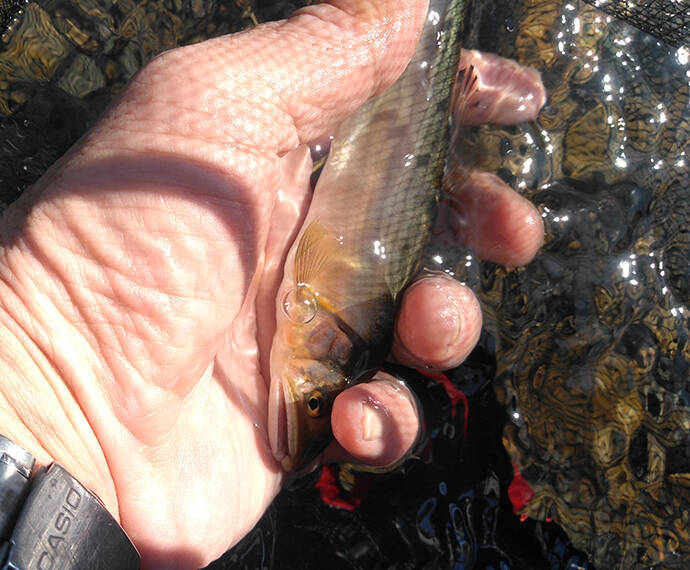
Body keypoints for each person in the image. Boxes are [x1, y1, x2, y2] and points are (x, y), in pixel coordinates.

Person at [0, 0, 544, 567]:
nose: (303, 406)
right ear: (325, 331)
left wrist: (53, 411)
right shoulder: (318, 310)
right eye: (313, 398)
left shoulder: (316, 324)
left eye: (314, 401)